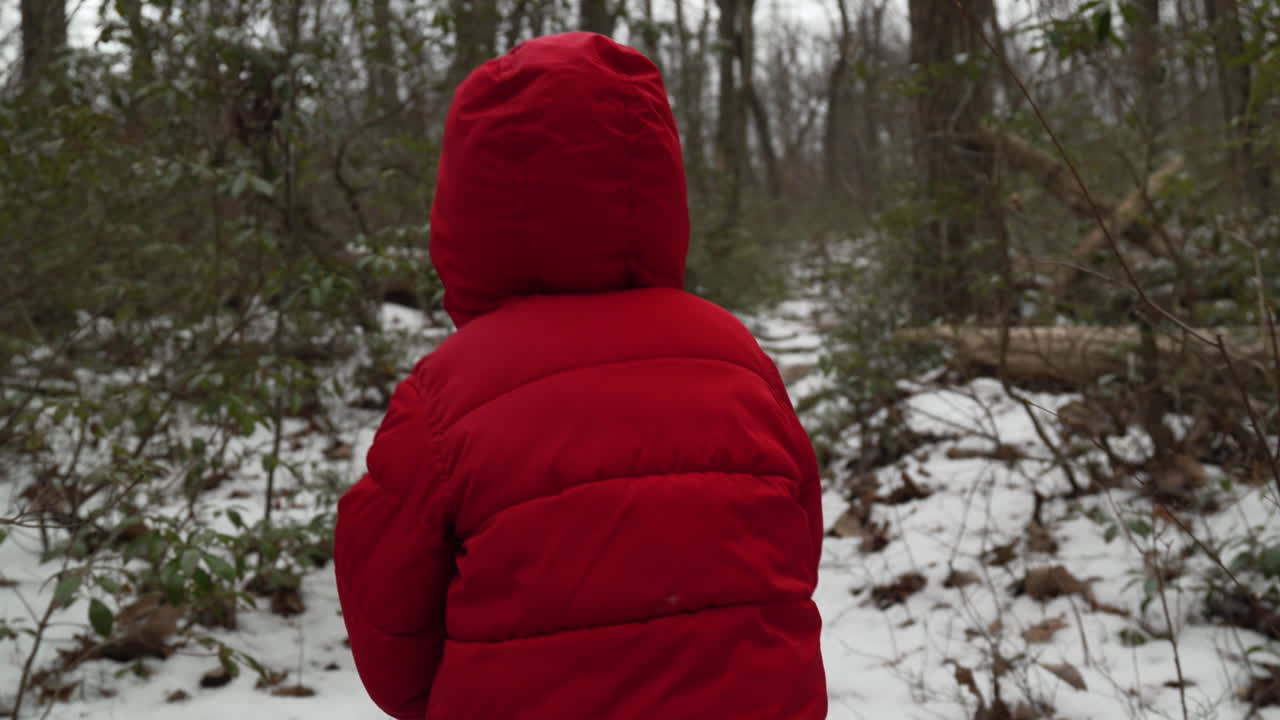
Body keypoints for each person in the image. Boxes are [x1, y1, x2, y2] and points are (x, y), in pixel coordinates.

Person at [333, 31, 827, 720]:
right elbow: (795, 553)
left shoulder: (445, 396)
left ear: (464, 206)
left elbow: (391, 637)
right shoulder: (735, 357)